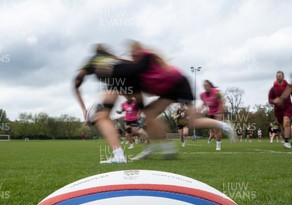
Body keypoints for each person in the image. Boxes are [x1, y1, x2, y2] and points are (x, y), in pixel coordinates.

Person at [99, 40, 236, 160]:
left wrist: (115, 66)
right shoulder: (138, 68)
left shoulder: (145, 57)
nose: (133, 57)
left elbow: (133, 70)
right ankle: (152, 148)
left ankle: (225, 126)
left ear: (139, 51)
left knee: (193, 122)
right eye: (132, 55)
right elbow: (133, 86)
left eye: (134, 54)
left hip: (180, 84)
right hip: (169, 91)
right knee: (149, 117)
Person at [73, 43, 141, 163]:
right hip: (134, 78)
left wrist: (84, 109)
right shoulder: (114, 58)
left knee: (101, 117)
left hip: (119, 79)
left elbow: (76, 84)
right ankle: (160, 146)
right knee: (149, 110)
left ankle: (119, 156)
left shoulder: (94, 59)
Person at [268, 71, 292, 149]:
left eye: (279, 76)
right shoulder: (273, 89)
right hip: (278, 110)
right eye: (277, 76)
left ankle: (286, 142)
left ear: (283, 76)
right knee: (282, 126)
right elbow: (270, 99)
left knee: (286, 122)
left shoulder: (288, 87)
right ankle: (285, 138)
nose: (278, 77)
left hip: (288, 107)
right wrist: (274, 101)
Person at [200, 80, 227, 150]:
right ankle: (218, 137)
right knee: (214, 131)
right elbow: (203, 103)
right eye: (204, 86)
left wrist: (220, 112)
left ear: (210, 86)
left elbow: (222, 101)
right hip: (210, 114)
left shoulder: (216, 92)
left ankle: (218, 146)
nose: (205, 87)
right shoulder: (203, 95)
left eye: (206, 85)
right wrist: (199, 110)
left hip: (218, 113)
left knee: (217, 130)